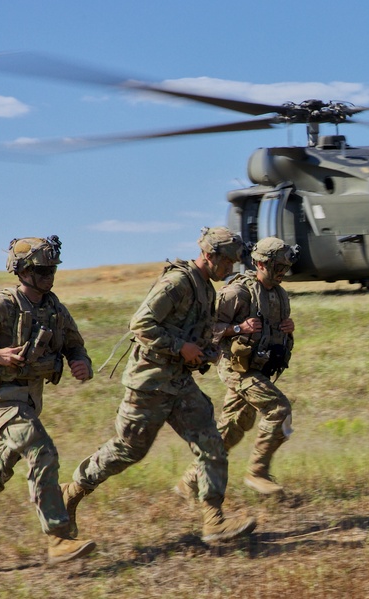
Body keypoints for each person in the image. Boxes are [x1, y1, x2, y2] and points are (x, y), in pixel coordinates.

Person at [61, 227, 256, 543]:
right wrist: (180, 347)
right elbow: (140, 324)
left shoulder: (206, 289)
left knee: (211, 442)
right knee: (128, 450)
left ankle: (214, 519)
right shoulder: (177, 282)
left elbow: (199, 334)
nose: (231, 269)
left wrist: (204, 351)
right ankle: (72, 491)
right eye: (229, 262)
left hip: (179, 383)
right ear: (210, 255)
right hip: (149, 383)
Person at [0, 236, 96, 577]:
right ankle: (57, 538)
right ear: (21, 270)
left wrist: (81, 362)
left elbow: (74, 344)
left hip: (28, 402)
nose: (49, 276)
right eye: (41, 270)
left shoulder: (55, 309)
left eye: (52, 269)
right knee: (43, 452)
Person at [177, 237, 298, 498]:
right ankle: (258, 472)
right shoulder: (236, 293)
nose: (280, 273)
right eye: (276, 267)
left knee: (232, 428)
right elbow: (206, 330)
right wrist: (237, 329)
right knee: (278, 409)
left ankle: (190, 480)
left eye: (284, 268)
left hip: (259, 368)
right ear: (258, 263)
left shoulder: (279, 294)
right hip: (236, 369)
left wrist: (287, 330)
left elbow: (274, 332)